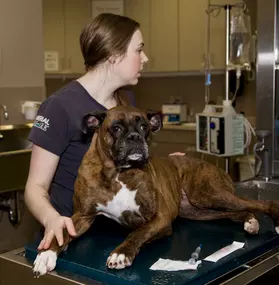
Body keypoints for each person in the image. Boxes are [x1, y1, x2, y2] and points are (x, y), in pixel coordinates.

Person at [24, 13, 183, 252]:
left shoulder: (125, 101)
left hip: (120, 235)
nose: (145, 58)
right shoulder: (59, 106)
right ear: (113, 55)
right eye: (138, 50)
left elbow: (130, 166)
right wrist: (50, 219)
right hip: (73, 236)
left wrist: (167, 168)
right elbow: (35, 188)